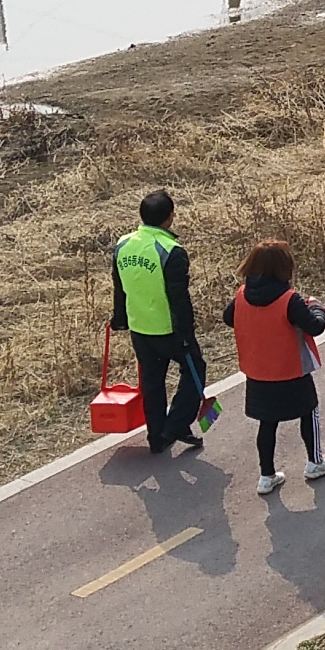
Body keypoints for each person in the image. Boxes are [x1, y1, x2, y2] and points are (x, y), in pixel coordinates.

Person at [228, 239, 325, 496]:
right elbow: (315, 326)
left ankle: (267, 475)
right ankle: (315, 462)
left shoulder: (242, 294)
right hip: (290, 370)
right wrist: (318, 308)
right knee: (309, 413)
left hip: (258, 372)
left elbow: (228, 317)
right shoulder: (290, 300)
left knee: (267, 424)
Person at [108, 189, 206, 456]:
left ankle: (157, 437)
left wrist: (119, 319)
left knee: (152, 382)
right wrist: (186, 332)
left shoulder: (123, 245)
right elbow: (179, 298)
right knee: (195, 369)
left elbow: (120, 288)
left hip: (140, 328)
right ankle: (175, 425)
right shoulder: (171, 251)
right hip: (168, 330)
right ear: (170, 218)